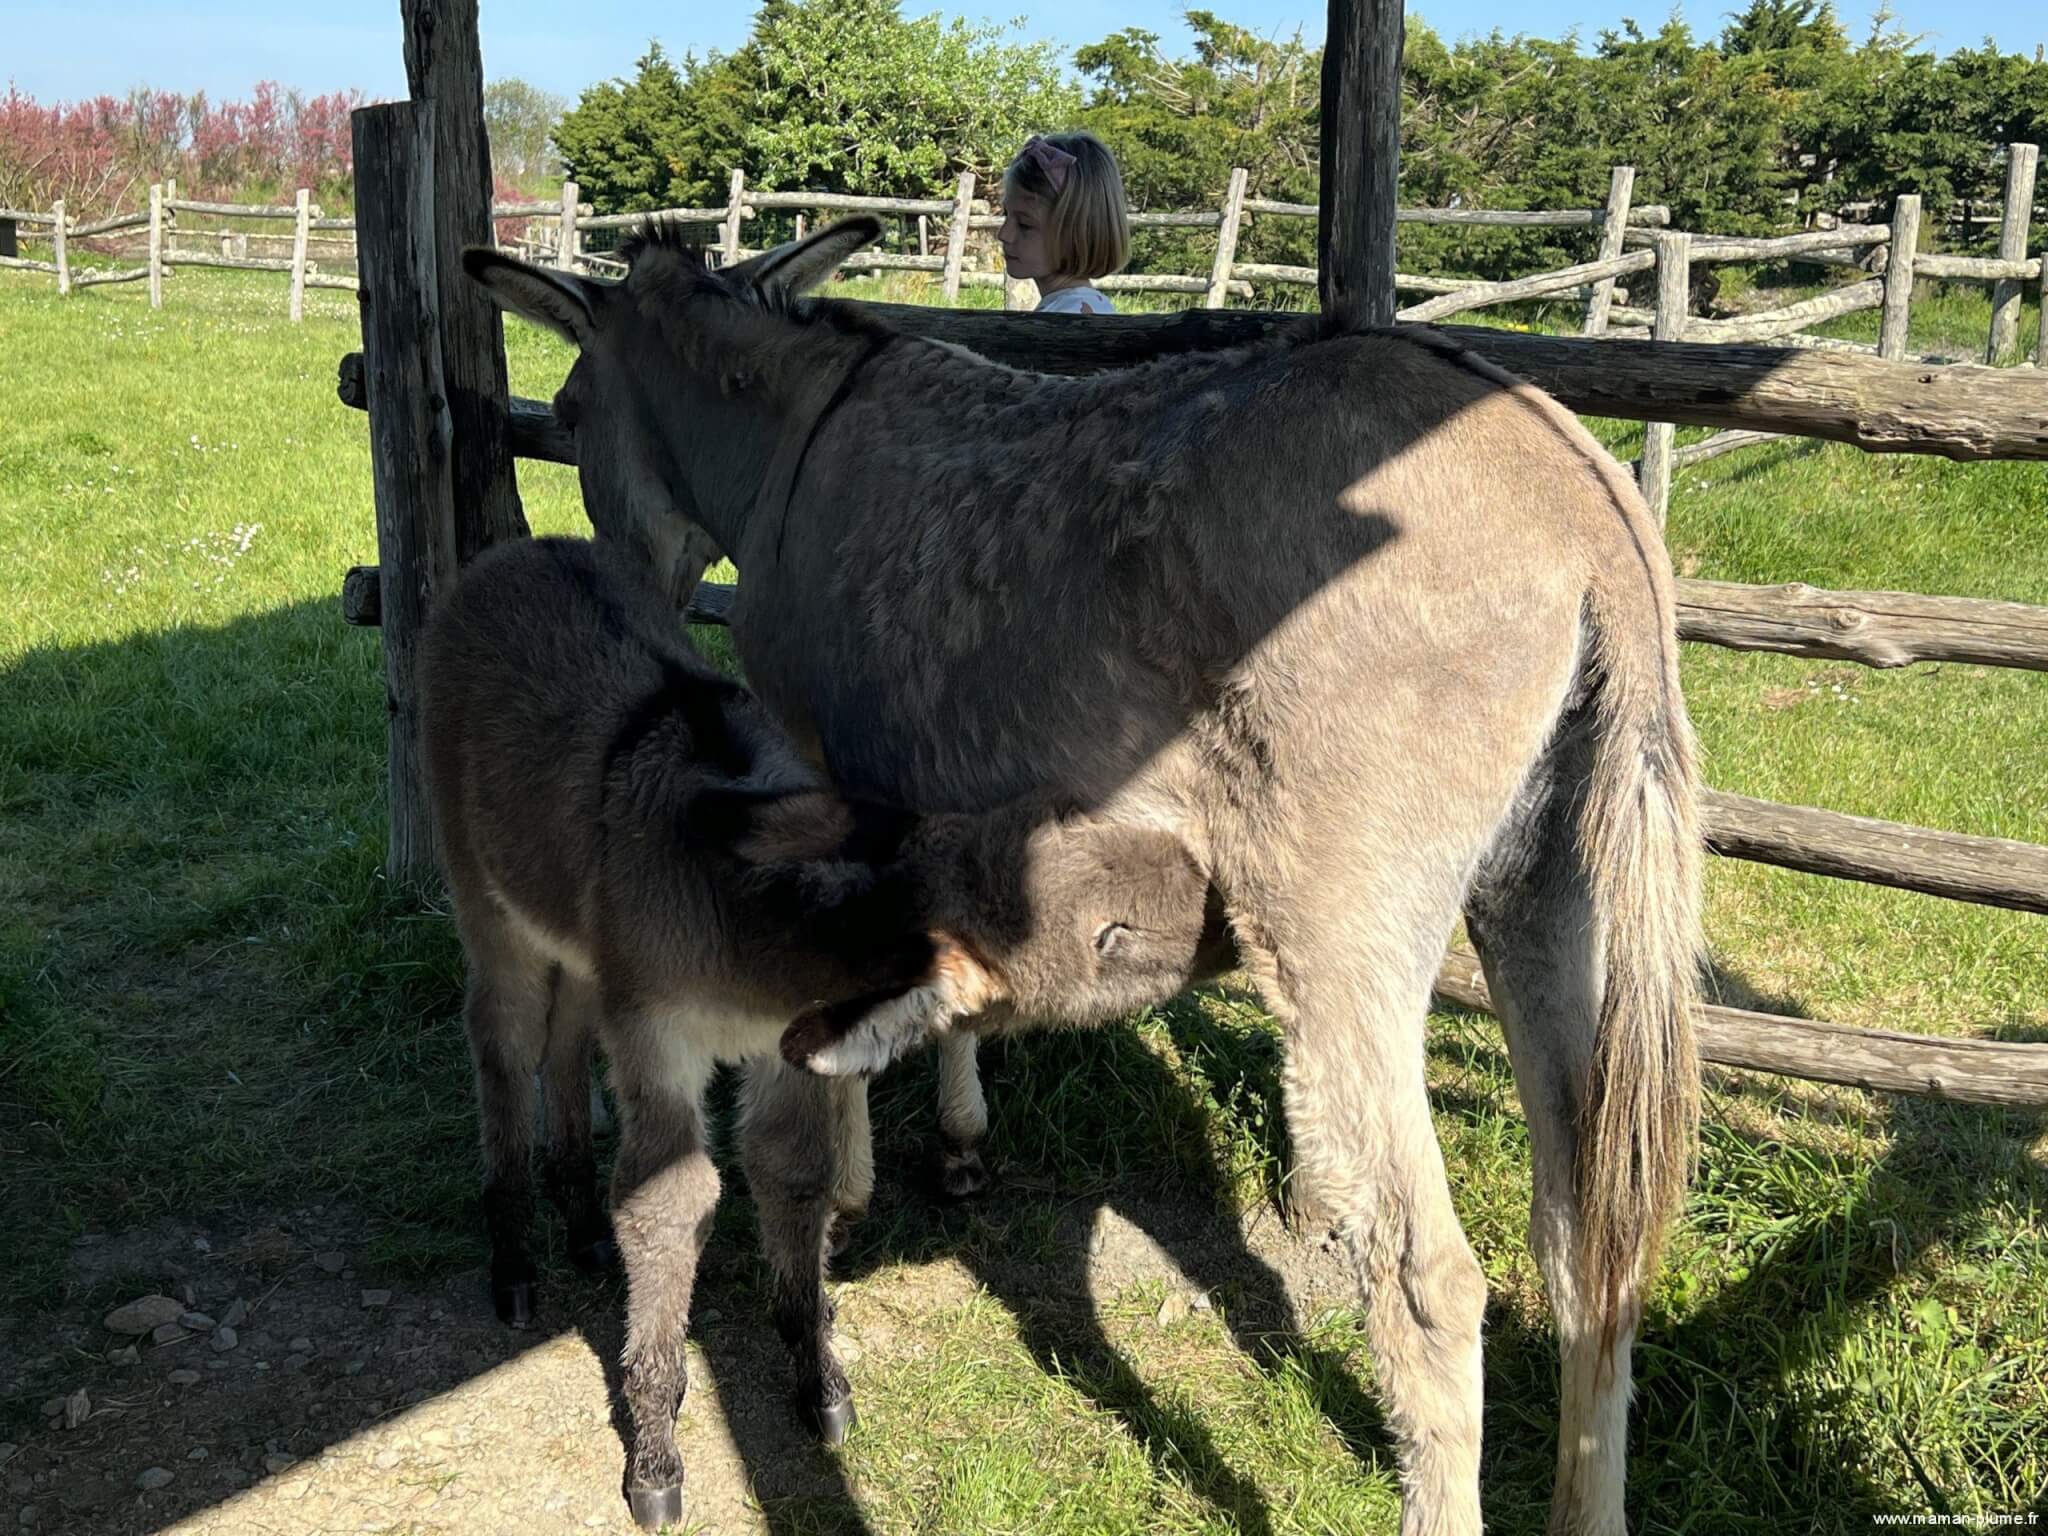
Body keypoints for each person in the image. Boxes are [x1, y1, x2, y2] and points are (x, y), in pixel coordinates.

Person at [997, 132, 1130, 314]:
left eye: (1024, 224)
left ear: (1078, 234)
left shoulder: (1071, 317)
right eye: (1006, 214)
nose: (1003, 234)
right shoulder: (1073, 307)